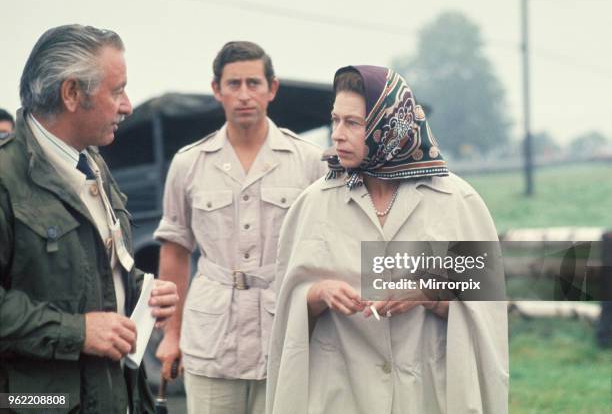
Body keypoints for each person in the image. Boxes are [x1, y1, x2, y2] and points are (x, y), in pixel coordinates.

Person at [266, 65, 509, 414]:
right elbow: (286, 308)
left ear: (389, 125)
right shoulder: (313, 204)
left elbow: (487, 310)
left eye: (353, 123)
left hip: (428, 392)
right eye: (335, 120)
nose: (337, 134)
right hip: (340, 393)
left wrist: (430, 293)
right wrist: (318, 294)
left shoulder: (457, 201)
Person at [0, 24, 179, 413]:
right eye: (117, 91)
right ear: (71, 93)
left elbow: (91, 267)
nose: (128, 105)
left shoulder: (92, 164)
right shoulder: (4, 177)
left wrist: (141, 290)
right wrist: (77, 332)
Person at [154, 41, 327, 414]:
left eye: (254, 83)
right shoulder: (189, 164)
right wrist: (172, 334)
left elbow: (326, 246)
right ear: (217, 90)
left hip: (284, 329)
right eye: (233, 84)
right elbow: (175, 250)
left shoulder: (309, 162)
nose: (244, 95)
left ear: (272, 89)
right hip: (213, 335)